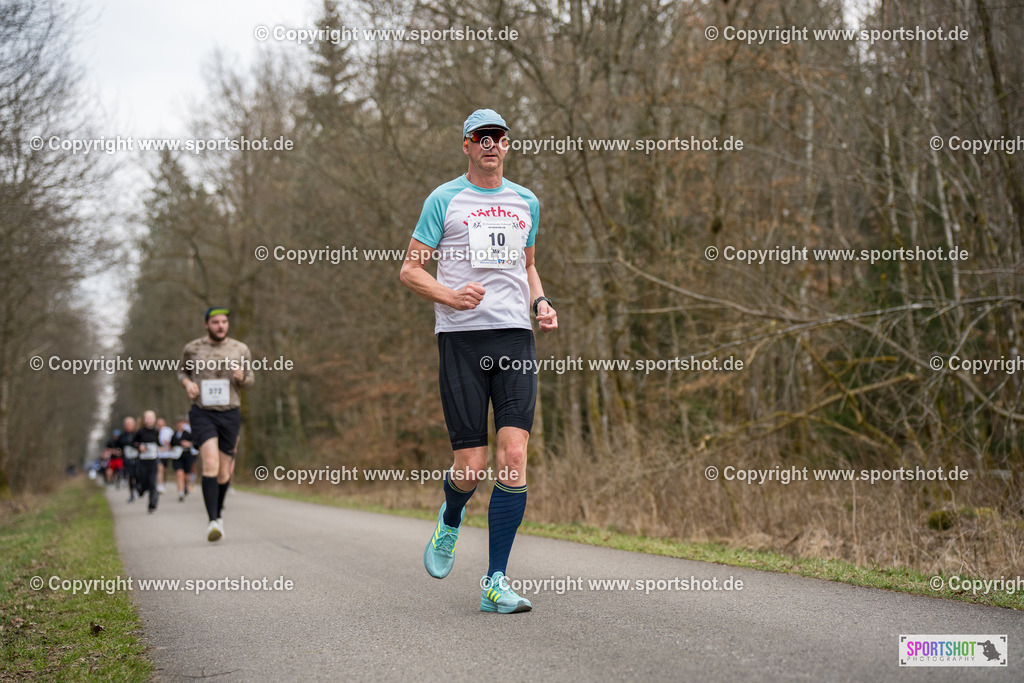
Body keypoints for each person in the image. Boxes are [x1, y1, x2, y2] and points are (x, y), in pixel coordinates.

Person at [399, 108, 557, 613]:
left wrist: (540, 302)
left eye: (499, 136)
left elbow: (528, 267)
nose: (491, 143)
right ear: (466, 145)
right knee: (472, 465)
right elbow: (409, 271)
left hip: (515, 337)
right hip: (462, 341)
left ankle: (495, 582)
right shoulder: (443, 199)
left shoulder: (525, 201)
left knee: (513, 457)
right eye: (481, 137)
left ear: (508, 144)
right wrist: (449, 295)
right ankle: (450, 518)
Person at [177, 308, 254, 542]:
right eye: (215, 322)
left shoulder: (240, 349)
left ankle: (218, 514)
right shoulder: (192, 349)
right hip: (202, 412)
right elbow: (181, 372)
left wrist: (242, 379)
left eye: (224, 322)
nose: (220, 326)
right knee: (209, 462)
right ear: (206, 325)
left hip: (230, 412)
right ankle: (212, 520)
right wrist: (188, 384)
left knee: (223, 471)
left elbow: (250, 380)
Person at [133, 410, 161, 513]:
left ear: (154, 419)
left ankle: (152, 505)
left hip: (153, 460)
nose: (149, 420)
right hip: (143, 461)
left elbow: (160, 443)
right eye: (147, 418)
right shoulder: (140, 432)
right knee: (144, 481)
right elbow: (134, 443)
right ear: (144, 420)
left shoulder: (157, 432)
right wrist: (139, 447)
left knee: (153, 482)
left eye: (151, 418)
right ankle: (140, 489)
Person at [170, 416, 196, 502]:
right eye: (178, 423)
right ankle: (180, 493)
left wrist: (189, 444)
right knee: (179, 474)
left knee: (186, 476)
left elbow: (194, 443)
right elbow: (171, 445)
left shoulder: (188, 434)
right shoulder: (174, 435)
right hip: (177, 456)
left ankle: (185, 486)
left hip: (186, 455)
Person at [117, 417, 139, 502]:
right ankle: (132, 493)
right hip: (126, 459)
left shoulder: (137, 434)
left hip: (137, 458)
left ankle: (137, 488)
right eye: (127, 425)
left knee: (137, 475)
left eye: (130, 424)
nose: (128, 426)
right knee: (130, 476)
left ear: (133, 425)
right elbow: (118, 446)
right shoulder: (122, 436)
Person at [156, 417, 174, 494]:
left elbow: (173, 442)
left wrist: (168, 446)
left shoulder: (168, 431)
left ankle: (163, 483)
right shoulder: (155, 431)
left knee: (165, 470)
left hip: (166, 454)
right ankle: (159, 485)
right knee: (160, 469)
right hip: (157, 454)